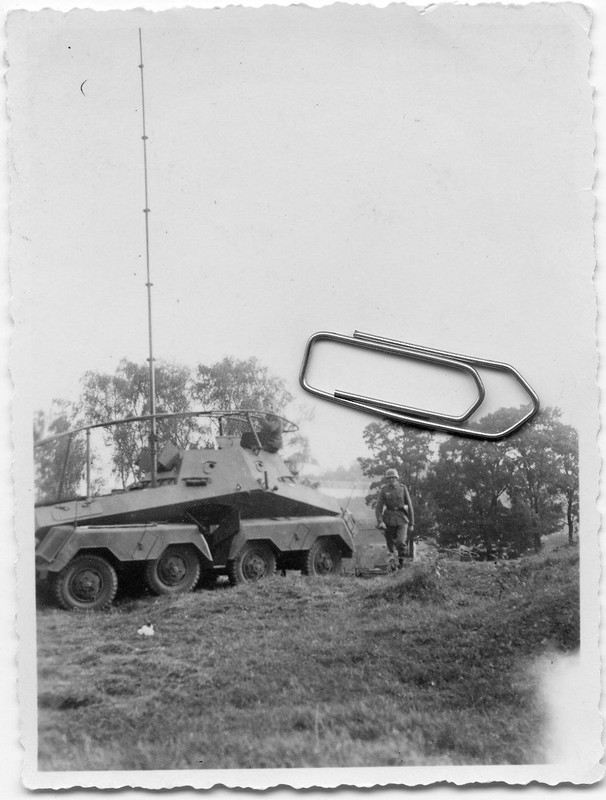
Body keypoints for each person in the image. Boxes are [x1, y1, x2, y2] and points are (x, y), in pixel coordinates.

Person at [375, 468, 415, 568]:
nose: (391, 480)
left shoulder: (403, 488)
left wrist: (412, 523)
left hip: (402, 518)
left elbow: (410, 506)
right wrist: (380, 522)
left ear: (396, 478)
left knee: (401, 542)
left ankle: (402, 564)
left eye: (393, 478)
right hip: (388, 519)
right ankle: (393, 567)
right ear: (387, 479)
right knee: (390, 545)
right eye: (389, 478)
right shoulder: (384, 490)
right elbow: (378, 507)